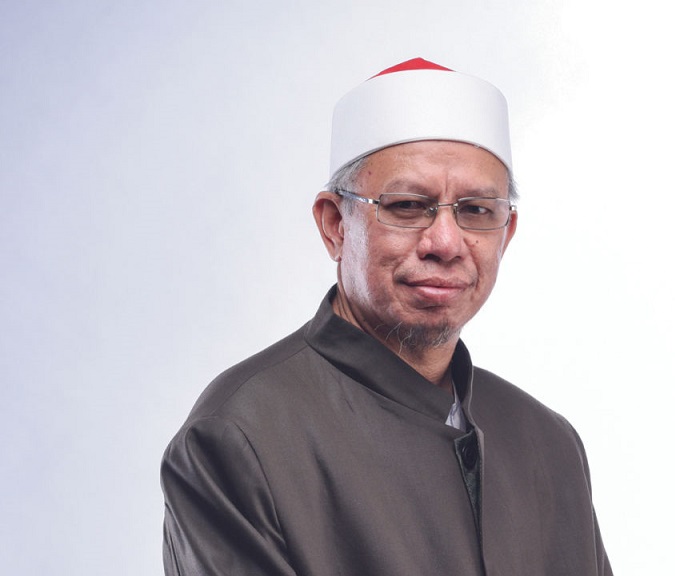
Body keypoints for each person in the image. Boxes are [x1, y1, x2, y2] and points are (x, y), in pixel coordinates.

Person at [161, 57, 613, 576]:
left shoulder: (548, 441)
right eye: (407, 205)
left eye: (476, 210)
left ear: (505, 235)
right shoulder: (239, 437)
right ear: (335, 225)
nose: (445, 243)